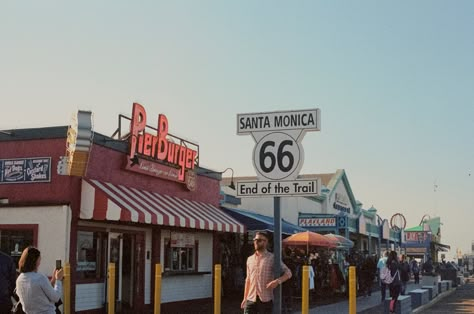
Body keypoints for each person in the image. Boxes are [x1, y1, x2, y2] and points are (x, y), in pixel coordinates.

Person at [241, 232, 292, 314]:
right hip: (251, 298)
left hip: (265, 298)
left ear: (265, 242)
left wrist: (277, 281)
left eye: (259, 240)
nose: (256, 242)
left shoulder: (272, 258)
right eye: (255, 240)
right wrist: (245, 298)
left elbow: (288, 272)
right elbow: (248, 280)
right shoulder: (250, 259)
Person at [15, 247, 63, 314]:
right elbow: (55, 297)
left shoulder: (19, 279)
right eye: (39, 259)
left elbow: (43, 291)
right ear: (35, 261)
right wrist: (58, 280)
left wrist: (54, 279)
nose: (40, 263)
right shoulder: (40, 277)